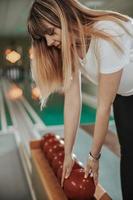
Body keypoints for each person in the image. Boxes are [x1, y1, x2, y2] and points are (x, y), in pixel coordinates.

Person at [27, 0, 133, 199]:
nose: (49, 42)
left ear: (64, 16)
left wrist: (93, 157)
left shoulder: (107, 33)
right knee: (129, 152)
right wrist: (68, 152)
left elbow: (103, 106)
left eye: (50, 32)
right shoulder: (70, 47)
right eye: (44, 38)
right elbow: (73, 100)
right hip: (126, 95)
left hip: (122, 95)